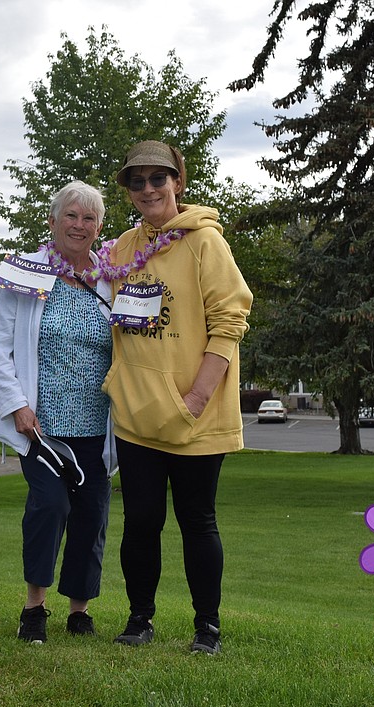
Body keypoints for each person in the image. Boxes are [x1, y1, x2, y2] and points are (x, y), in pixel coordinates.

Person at [102, 141, 253, 655]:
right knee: (141, 521)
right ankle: (139, 619)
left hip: (195, 416)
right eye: (136, 181)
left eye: (157, 179)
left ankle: (206, 628)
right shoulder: (122, 248)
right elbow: (84, 281)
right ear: (127, 190)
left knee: (197, 522)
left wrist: (196, 398)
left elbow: (230, 322)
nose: (148, 189)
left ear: (178, 181)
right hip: (137, 417)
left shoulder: (206, 242)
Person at [0, 181, 117, 643]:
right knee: (50, 505)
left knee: (91, 515)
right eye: (71, 216)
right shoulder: (25, 275)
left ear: (99, 227)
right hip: (40, 427)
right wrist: (17, 404)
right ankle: (34, 608)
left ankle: (79, 610)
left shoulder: (113, 279)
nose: (79, 226)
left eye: (89, 218)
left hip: (97, 427)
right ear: (52, 221)